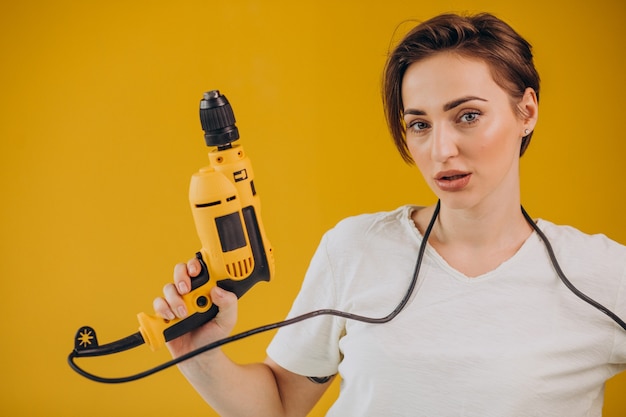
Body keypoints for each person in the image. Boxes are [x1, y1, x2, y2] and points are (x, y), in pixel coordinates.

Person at [153, 12, 626, 416]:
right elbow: (279, 403)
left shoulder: (603, 276)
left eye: (467, 115)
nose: (440, 149)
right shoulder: (356, 248)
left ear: (526, 111)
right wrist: (199, 352)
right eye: (419, 124)